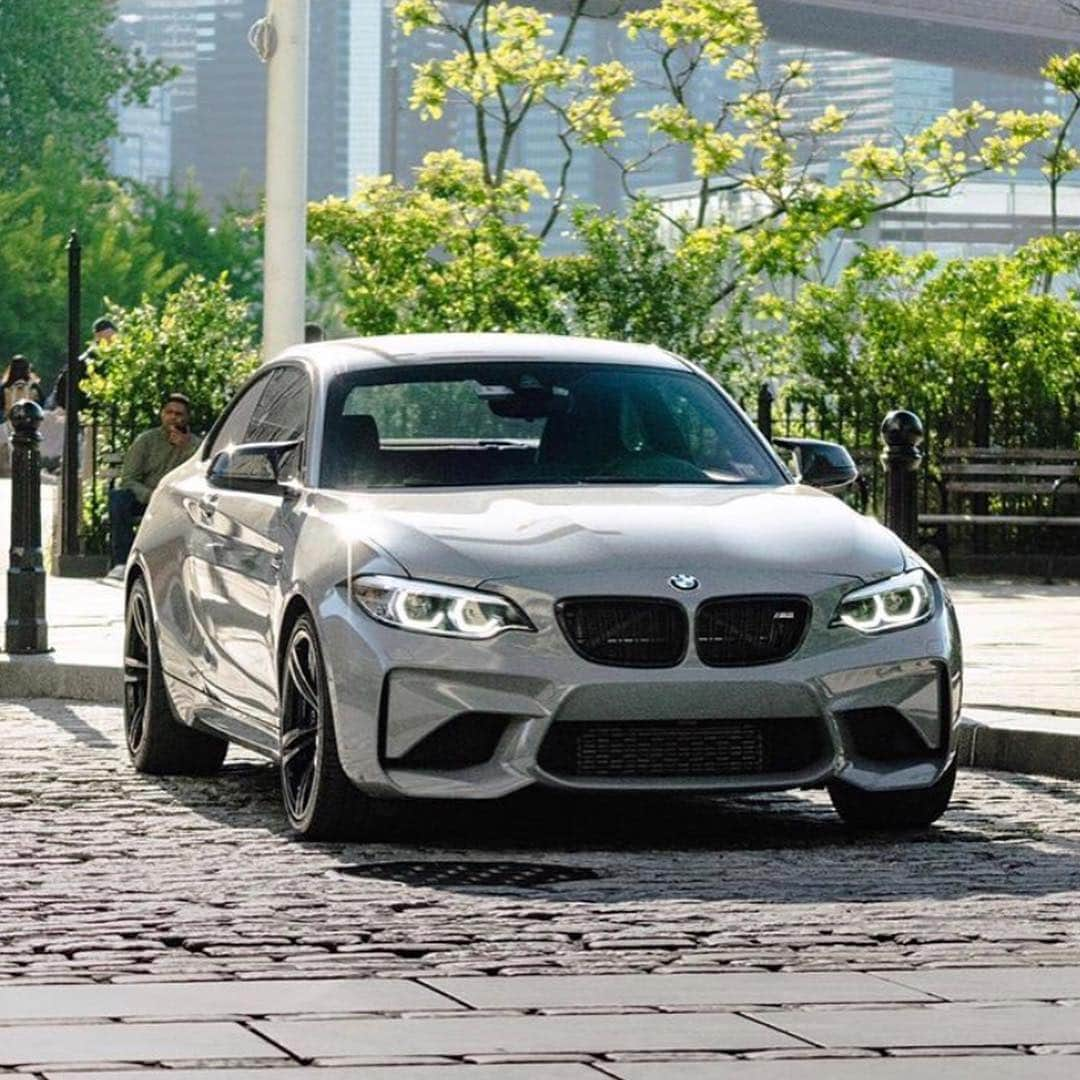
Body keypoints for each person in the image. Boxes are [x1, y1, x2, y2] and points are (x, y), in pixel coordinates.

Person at [108, 394, 199, 578]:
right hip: (146, 497)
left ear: (187, 417)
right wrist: (151, 495)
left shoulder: (196, 445)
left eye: (179, 414)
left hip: (178, 501)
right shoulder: (146, 440)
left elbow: (197, 474)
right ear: (162, 415)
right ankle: (121, 562)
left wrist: (185, 448)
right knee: (118, 498)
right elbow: (129, 478)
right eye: (169, 412)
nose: (173, 417)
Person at [48, 316, 116, 411]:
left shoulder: (117, 361)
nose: (109, 343)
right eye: (106, 339)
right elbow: (62, 390)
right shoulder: (84, 362)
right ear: (97, 337)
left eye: (111, 338)